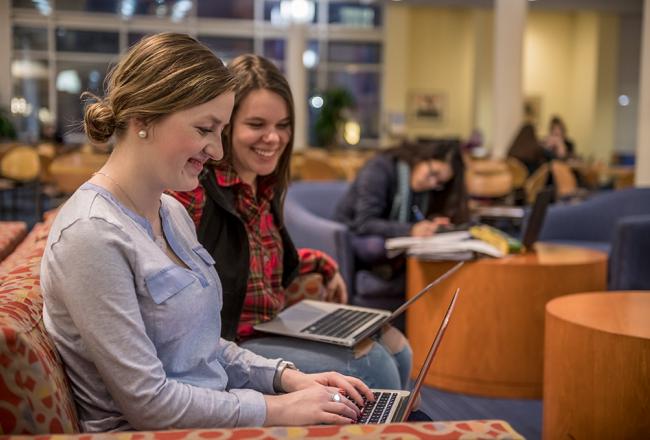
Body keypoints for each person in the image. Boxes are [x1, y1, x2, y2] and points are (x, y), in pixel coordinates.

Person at [40, 33, 373, 432]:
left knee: (372, 414)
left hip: (215, 417)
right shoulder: (91, 235)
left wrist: (287, 377)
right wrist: (276, 409)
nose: (217, 150)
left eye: (221, 131)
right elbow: (150, 404)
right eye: (204, 129)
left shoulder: (171, 211)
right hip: (161, 431)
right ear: (143, 119)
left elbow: (202, 349)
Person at [169, 54, 412, 391]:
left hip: (270, 326)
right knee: (374, 368)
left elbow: (256, 261)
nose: (273, 138)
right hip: (231, 344)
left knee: (398, 347)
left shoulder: (263, 186)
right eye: (257, 125)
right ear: (225, 126)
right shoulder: (195, 190)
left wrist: (321, 263)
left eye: (282, 126)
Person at [334, 141, 469, 301]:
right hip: (354, 231)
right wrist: (411, 230)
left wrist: (431, 223)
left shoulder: (421, 189)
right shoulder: (380, 168)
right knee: (375, 247)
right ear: (422, 158)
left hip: (389, 239)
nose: (432, 183)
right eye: (433, 174)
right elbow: (365, 223)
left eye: (439, 183)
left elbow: (413, 217)